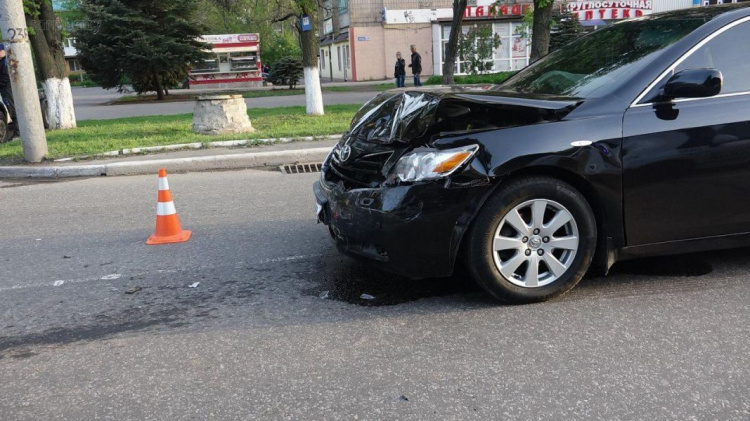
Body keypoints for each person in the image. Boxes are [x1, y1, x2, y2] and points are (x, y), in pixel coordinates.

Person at [0, 44, 19, 140]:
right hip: (4, 90)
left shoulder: (5, 63)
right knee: (11, 110)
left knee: (13, 110)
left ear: (3, 51)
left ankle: (18, 133)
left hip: (7, 89)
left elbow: (6, 77)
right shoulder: (2, 62)